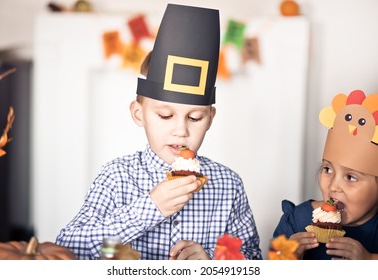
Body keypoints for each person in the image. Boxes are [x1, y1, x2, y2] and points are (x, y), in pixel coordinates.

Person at [56, 4, 262, 260]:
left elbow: (253, 258)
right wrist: (151, 208)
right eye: (165, 116)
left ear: (210, 118)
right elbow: (67, 247)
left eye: (195, 117)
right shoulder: (117, 177)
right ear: (138, 114)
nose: (181, 130)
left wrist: (211, 261)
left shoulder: (228, 184)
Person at [273, 89, 378, 260]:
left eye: (351, 177)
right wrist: (285, 257)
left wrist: (369, 260)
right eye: (328, 169)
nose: (333, 186)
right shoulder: (298, 220)